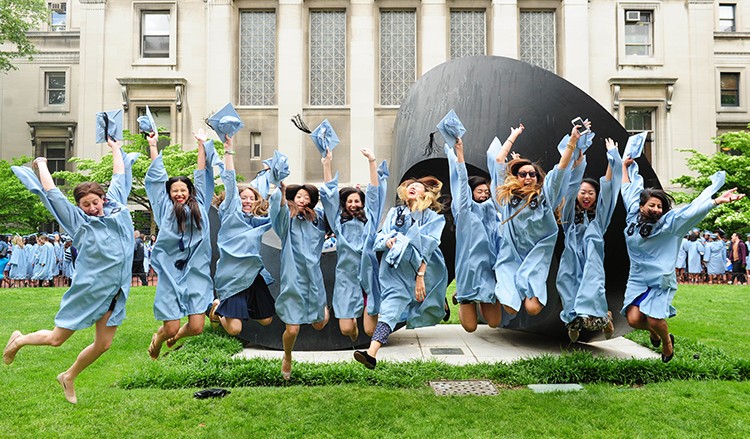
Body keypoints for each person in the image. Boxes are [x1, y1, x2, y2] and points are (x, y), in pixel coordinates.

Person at [4, 139, 137, 404]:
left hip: (116, 291)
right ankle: (18, 340)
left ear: (103, 199)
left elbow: (119, 175)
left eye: (95, 202)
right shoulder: (79, 223)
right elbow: (52, 193)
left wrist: (115, 149)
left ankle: (68, 376)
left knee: (104, 344)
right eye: (86, 204)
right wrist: (42, 164)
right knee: (56, 339)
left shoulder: (119, 209)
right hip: (90, 290)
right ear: (79, 207)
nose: (92, 207)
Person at [621, 155, 743, 362]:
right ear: (642, 206)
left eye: (660, 207)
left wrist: (715, 201)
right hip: (638, 278)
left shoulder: (669, 224)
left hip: (659, 279)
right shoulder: (633, 215)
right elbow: (626, 189)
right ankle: (655, 332)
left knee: (654, 319)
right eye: (652, 205)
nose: (657, 210)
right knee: (633, 320)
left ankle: (667, 343)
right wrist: (624, 167)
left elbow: (691, 213)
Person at [354, 176, 448, 370]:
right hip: (392, 272)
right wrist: (388, 239)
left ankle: (439, 302)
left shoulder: (434, 218)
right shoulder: (395, 212)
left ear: (426, 194)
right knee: (389, 310)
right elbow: (379, 238)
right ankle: (371, 354)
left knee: (423, 302)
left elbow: (428, 249)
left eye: (418, 187)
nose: (412, 188)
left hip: (419, 271)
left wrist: (420, 277)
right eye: (410, 186)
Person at [491, 122, 577, 317]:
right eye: (523, 174)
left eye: (532, 174)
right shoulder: (506, 199)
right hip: (510, 257)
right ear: (516, 176)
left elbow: (560, 169)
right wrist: (514, 135)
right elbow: (498, 160)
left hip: (536, 258)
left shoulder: (545, 198)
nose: (528, 177)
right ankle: (501, 291)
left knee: (533, 309)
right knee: (511, 308)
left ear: (538, 178)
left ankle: (523, 288)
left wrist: (572, 141)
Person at [145, 130, 214, 359]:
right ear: (169, 194)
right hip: (171, 270)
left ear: (190, 192)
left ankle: (176, 338)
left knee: (196, 327)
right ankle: (160, 338)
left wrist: (201, 145)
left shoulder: (200, 203)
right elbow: (157, 177)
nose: (178, 194)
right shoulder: (164, 206)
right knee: (171, 326)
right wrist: (153, 146)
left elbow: (201, 174)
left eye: (183, 190)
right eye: (174, 191)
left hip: (196, 271)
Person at [209, 135, 276, 338]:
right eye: (243, 197)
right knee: (235, 329)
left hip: (253, 274)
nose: (247, 201)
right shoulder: (231, 213)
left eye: (251, 198)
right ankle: (217, 308)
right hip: (232, 275)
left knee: (267, 319)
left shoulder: (259, 222)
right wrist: (228, 150)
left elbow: (278, 216)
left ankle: (233, 306)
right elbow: (229, 181)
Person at [557, 137, 621, 342]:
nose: (586, 196)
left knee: (592, 288)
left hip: (591, 258)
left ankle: (605, 318)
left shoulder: (600, 216)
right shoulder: (568, 214)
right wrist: (577, 162)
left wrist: (612, 157)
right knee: (568, 287)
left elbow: (609, 186)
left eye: (591, 193)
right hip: (571, 258)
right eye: (582, 192)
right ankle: (572, 322)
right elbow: (571, 184)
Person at [320, 147, 387, 341]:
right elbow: (329, 194)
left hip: (367, 274)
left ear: (362, 203)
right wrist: (327, 164)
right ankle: (353, 326)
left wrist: (372, 161)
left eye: (357, 200)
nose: (353, 204)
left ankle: (370, 322)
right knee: (346, 329)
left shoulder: (370, 219)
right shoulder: (338, 221)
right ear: (344, 204)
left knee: (369, 331)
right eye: (349, 201)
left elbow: (374, 193)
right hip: (346, 277)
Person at [269, 174, 330, 380]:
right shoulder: (288, 219)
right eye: (299, 196)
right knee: (293, 330)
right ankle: (287, 356)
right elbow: (277, 210)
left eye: (306, 197)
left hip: (313, 278)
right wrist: (282, 191)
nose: (302, 199)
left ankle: (324, 307)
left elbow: (332, 207)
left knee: (320, 324)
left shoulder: (318, 219)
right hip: (293, 278)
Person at [445, 138, 502, 332]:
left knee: (494, 322)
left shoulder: (493, 212)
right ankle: (462, 296)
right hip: (468, 269)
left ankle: (479, 297)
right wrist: (460, 153)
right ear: (471, 193)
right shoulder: (464, 212)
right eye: (480, 191)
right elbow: (461, 183)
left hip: (489, 269)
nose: (485, 195)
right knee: (470, 327)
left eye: (487, 191)